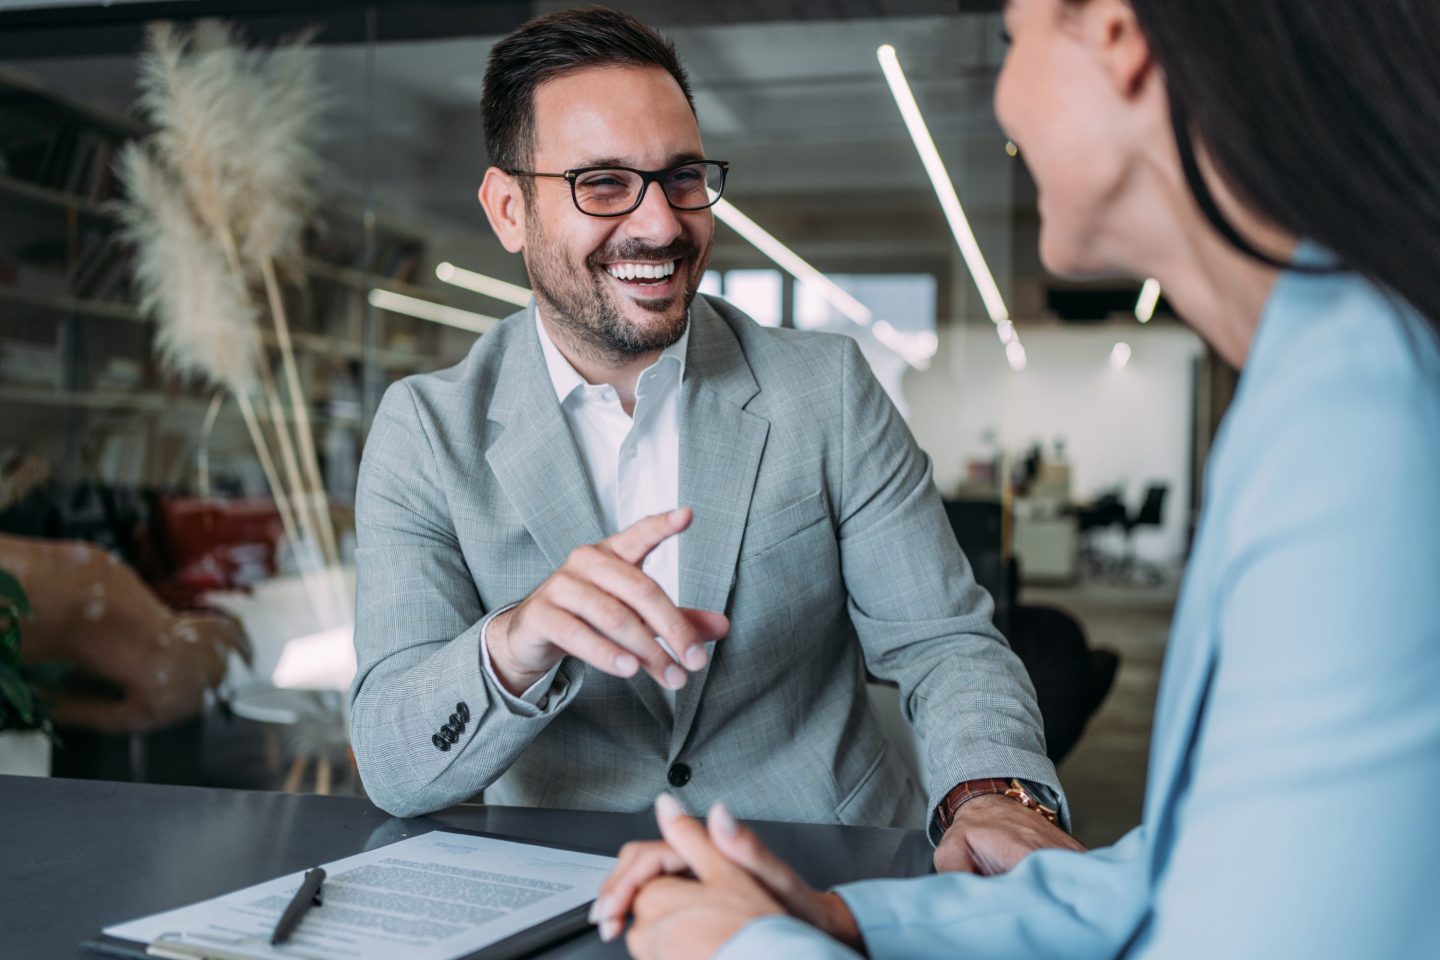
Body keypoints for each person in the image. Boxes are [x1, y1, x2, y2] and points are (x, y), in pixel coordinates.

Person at [597, 0, 1440, 955]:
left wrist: (745, 950)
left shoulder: (1361, 433)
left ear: (1116, 36)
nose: (1002, 100)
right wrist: (847, 917)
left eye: (1013, 38)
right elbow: (1189, 872)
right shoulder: (1330, 382)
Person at [349, 6, 1076, 872]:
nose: (661, 224)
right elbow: (395, 762)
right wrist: (517, 642)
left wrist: (988, 794)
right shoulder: (427, 433)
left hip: (824, 867)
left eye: (682, 178)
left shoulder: (826, 390)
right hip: (573, 894)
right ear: (510, 209)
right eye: (604, 183)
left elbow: (942, 644)